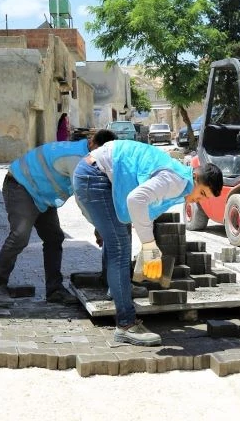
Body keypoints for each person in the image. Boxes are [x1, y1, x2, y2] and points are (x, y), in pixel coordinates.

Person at [73, 140, 223, 346]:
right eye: (202, 193)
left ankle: (118, 290)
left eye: (206, 198)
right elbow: (136, 200)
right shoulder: (176, 181)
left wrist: (147, 243)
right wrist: (149, 245)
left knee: (120, 236)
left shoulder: (180, 178)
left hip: (95, 173)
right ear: (195, 177)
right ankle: (126, 325)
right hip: (95, 177)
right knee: (119, 249)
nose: (200, 199)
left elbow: (145, 208)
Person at [0, 129, 118, 303]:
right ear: (92, 144)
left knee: (54, 238)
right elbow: (83, 199)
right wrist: (100, 226)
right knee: (19, 236)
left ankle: (54, 290)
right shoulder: (78, 159)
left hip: (43, 193)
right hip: (21, 185)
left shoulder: (88, 154)